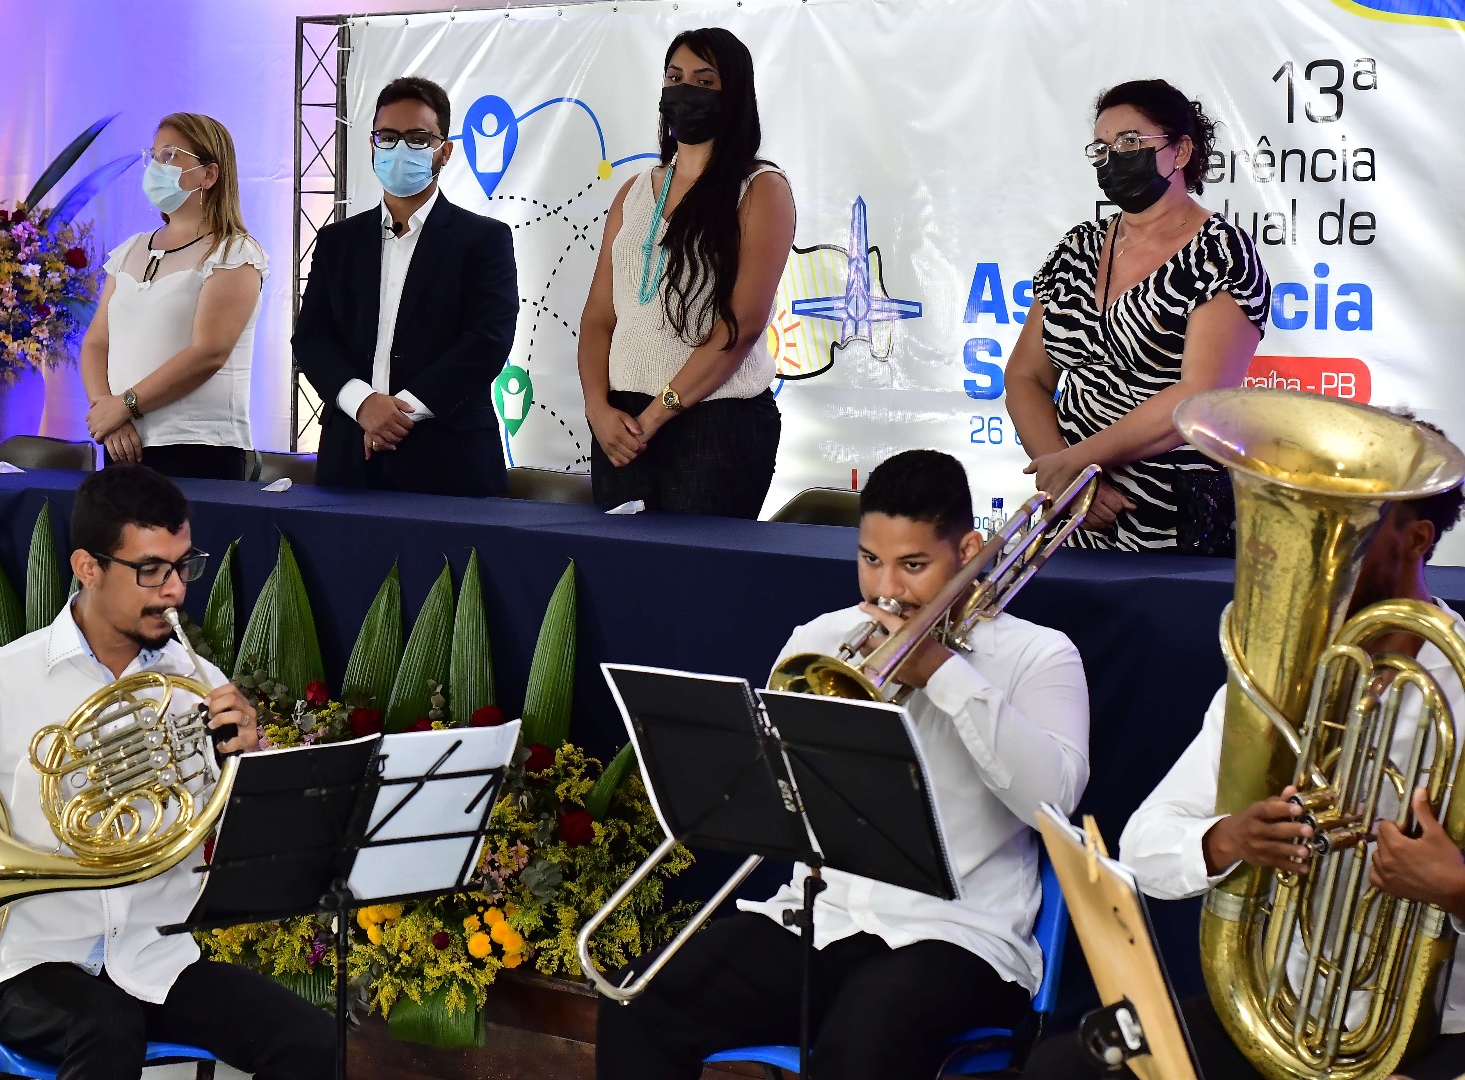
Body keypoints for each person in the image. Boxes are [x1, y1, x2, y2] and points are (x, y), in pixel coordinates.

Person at [595, 449, 1091, 1078]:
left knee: (864, 1036)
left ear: (969, 552)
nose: (886, 589)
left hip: (959, 937)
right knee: (643, 998)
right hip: (822, 918)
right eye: (870, 560)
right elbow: (776, 791)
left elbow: (1055, 800)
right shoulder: (821, 642)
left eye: (914, 565)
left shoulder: (1039, 656)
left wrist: (944, 674)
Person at [1020, 441, 1465, 1080]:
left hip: (1430, 1035)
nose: (1317, 555)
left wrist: (1454, 887)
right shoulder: (1277, 677)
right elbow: (1144, 844)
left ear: (1416, 538)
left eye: (1349, 530)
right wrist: (1226, 838)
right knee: (1064, 1067)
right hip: (1274, 1015)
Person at [0, 465, 333, 1079]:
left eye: (182, 567)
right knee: (106, 1027)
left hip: (154, 959)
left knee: (313, 1041)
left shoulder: (199, 686)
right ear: (87, 567)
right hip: (26, 963)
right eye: (150, 570)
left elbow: (234, 845)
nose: (174, 590)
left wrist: (247, 766)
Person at [1006, 80, 1271, 555]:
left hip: (1177, 520)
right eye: (1102, 148)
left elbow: (1197, 400)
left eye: (1131, 142)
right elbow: (1025, 374)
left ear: (1181, 150)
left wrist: (1076, 465)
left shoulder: (1220, 254)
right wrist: (1065, 481)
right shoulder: (1077, 248)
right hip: (1075, 515)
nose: (1114, 158)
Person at [577, 27, 795, 518]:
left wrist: (655, 416)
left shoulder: (760, 188)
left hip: (715, 423)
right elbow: (597, 318)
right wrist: (597, 408)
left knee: (694, 584)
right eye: (674, 78)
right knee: (619, 583)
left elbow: (741, 326)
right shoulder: (633, 191)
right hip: (621, 424)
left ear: (734, 95)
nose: (684, 90)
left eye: (703, 80)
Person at [293, 76, 519, 496]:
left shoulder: (484, 239)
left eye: (418, 138)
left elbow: (487, 341)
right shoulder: (337, 241)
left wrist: (396, 415)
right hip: (348, 456)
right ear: (372, 144)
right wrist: (363, 404)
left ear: (444, 151)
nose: (400, 149)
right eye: (388, 137)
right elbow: (311, 339)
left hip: (450, 459)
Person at [82, 113, 268, 481]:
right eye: (153, 156)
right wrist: (107, 411)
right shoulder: (129, 251)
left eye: (169, 156)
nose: (155, 167)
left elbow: (209, 352)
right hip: (123, 444)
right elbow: (95, 343)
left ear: (209, 175)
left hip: (198, 449)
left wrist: (126, 405)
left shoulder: (234, 253)